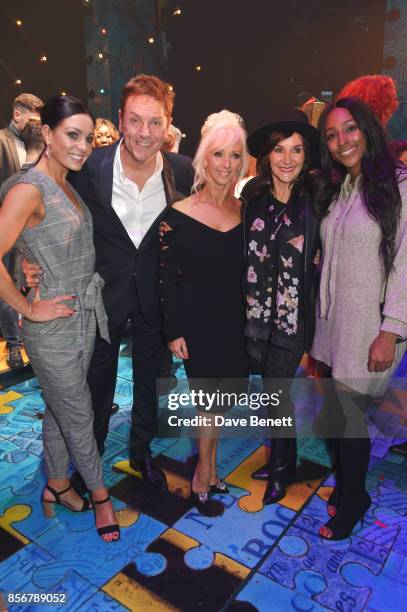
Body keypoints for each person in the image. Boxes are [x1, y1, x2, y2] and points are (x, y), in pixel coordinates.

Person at [24, 75, 194, 493]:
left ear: (168, 124)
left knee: (152, 385)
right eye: (135, 121)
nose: (145, 133)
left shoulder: (182, 171)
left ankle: (140, 453)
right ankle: (88, 458)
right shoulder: (90, 167)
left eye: (156, 123)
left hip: (156, 299)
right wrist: (28, 259)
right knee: (94, 387)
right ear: (120, 120)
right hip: (100, 297)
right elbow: (43, 209)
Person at [0, 95, 119, 542]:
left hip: (81, 314)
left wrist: (29, 264)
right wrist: (28, 306)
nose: (84, 145)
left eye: (88, 137)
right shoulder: (30, 187)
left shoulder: (66, 183)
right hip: (51, 324)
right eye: (73, 134)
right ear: (47, 134)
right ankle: (101, 494)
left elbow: (32, 243)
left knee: (59, 405)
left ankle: (56, 484)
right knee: (79, 412)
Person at [311, 96, 407, 540]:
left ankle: (353, 500)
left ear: (367, 129)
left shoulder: (400, 185)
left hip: (371, 323)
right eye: (331, 134)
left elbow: (406, 263)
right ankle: (351, 486)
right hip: (334, 322)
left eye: (349, 129)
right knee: (336, 412)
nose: (341, 141)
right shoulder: (342, 187)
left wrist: (391, 330)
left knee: (348, 418)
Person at [159, 110, 250, 514]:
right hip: (198, 323)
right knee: (207, 401)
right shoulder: (178, 214)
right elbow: (166, 279)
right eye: (219, 155)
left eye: (235, 156)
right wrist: (174, 329)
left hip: (237, 323)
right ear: (203, 159)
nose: (226, 165)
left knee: (226, 397)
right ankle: (205, 471)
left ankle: (208, 469)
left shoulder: (247, 213)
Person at [241, 109, 321, 505]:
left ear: (307, 156)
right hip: (255, 317)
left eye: (297, 150)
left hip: (293, 320)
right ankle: (282, 458)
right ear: (267, 155)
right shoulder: (251, 198)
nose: (287, 158)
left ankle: (280, 470)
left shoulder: (316, 201)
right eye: (279, 150)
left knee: (276, 392)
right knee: (270, 394)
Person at [0, 93, 43, 369]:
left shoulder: (37, 143)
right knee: (7, 285)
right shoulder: (0, 141)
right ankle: (14, 344)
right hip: (6, 223)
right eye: (32, 119)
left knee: (31, 283)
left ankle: (26, 338)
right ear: (17, 115)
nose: (36, 125)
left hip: (32, 224)